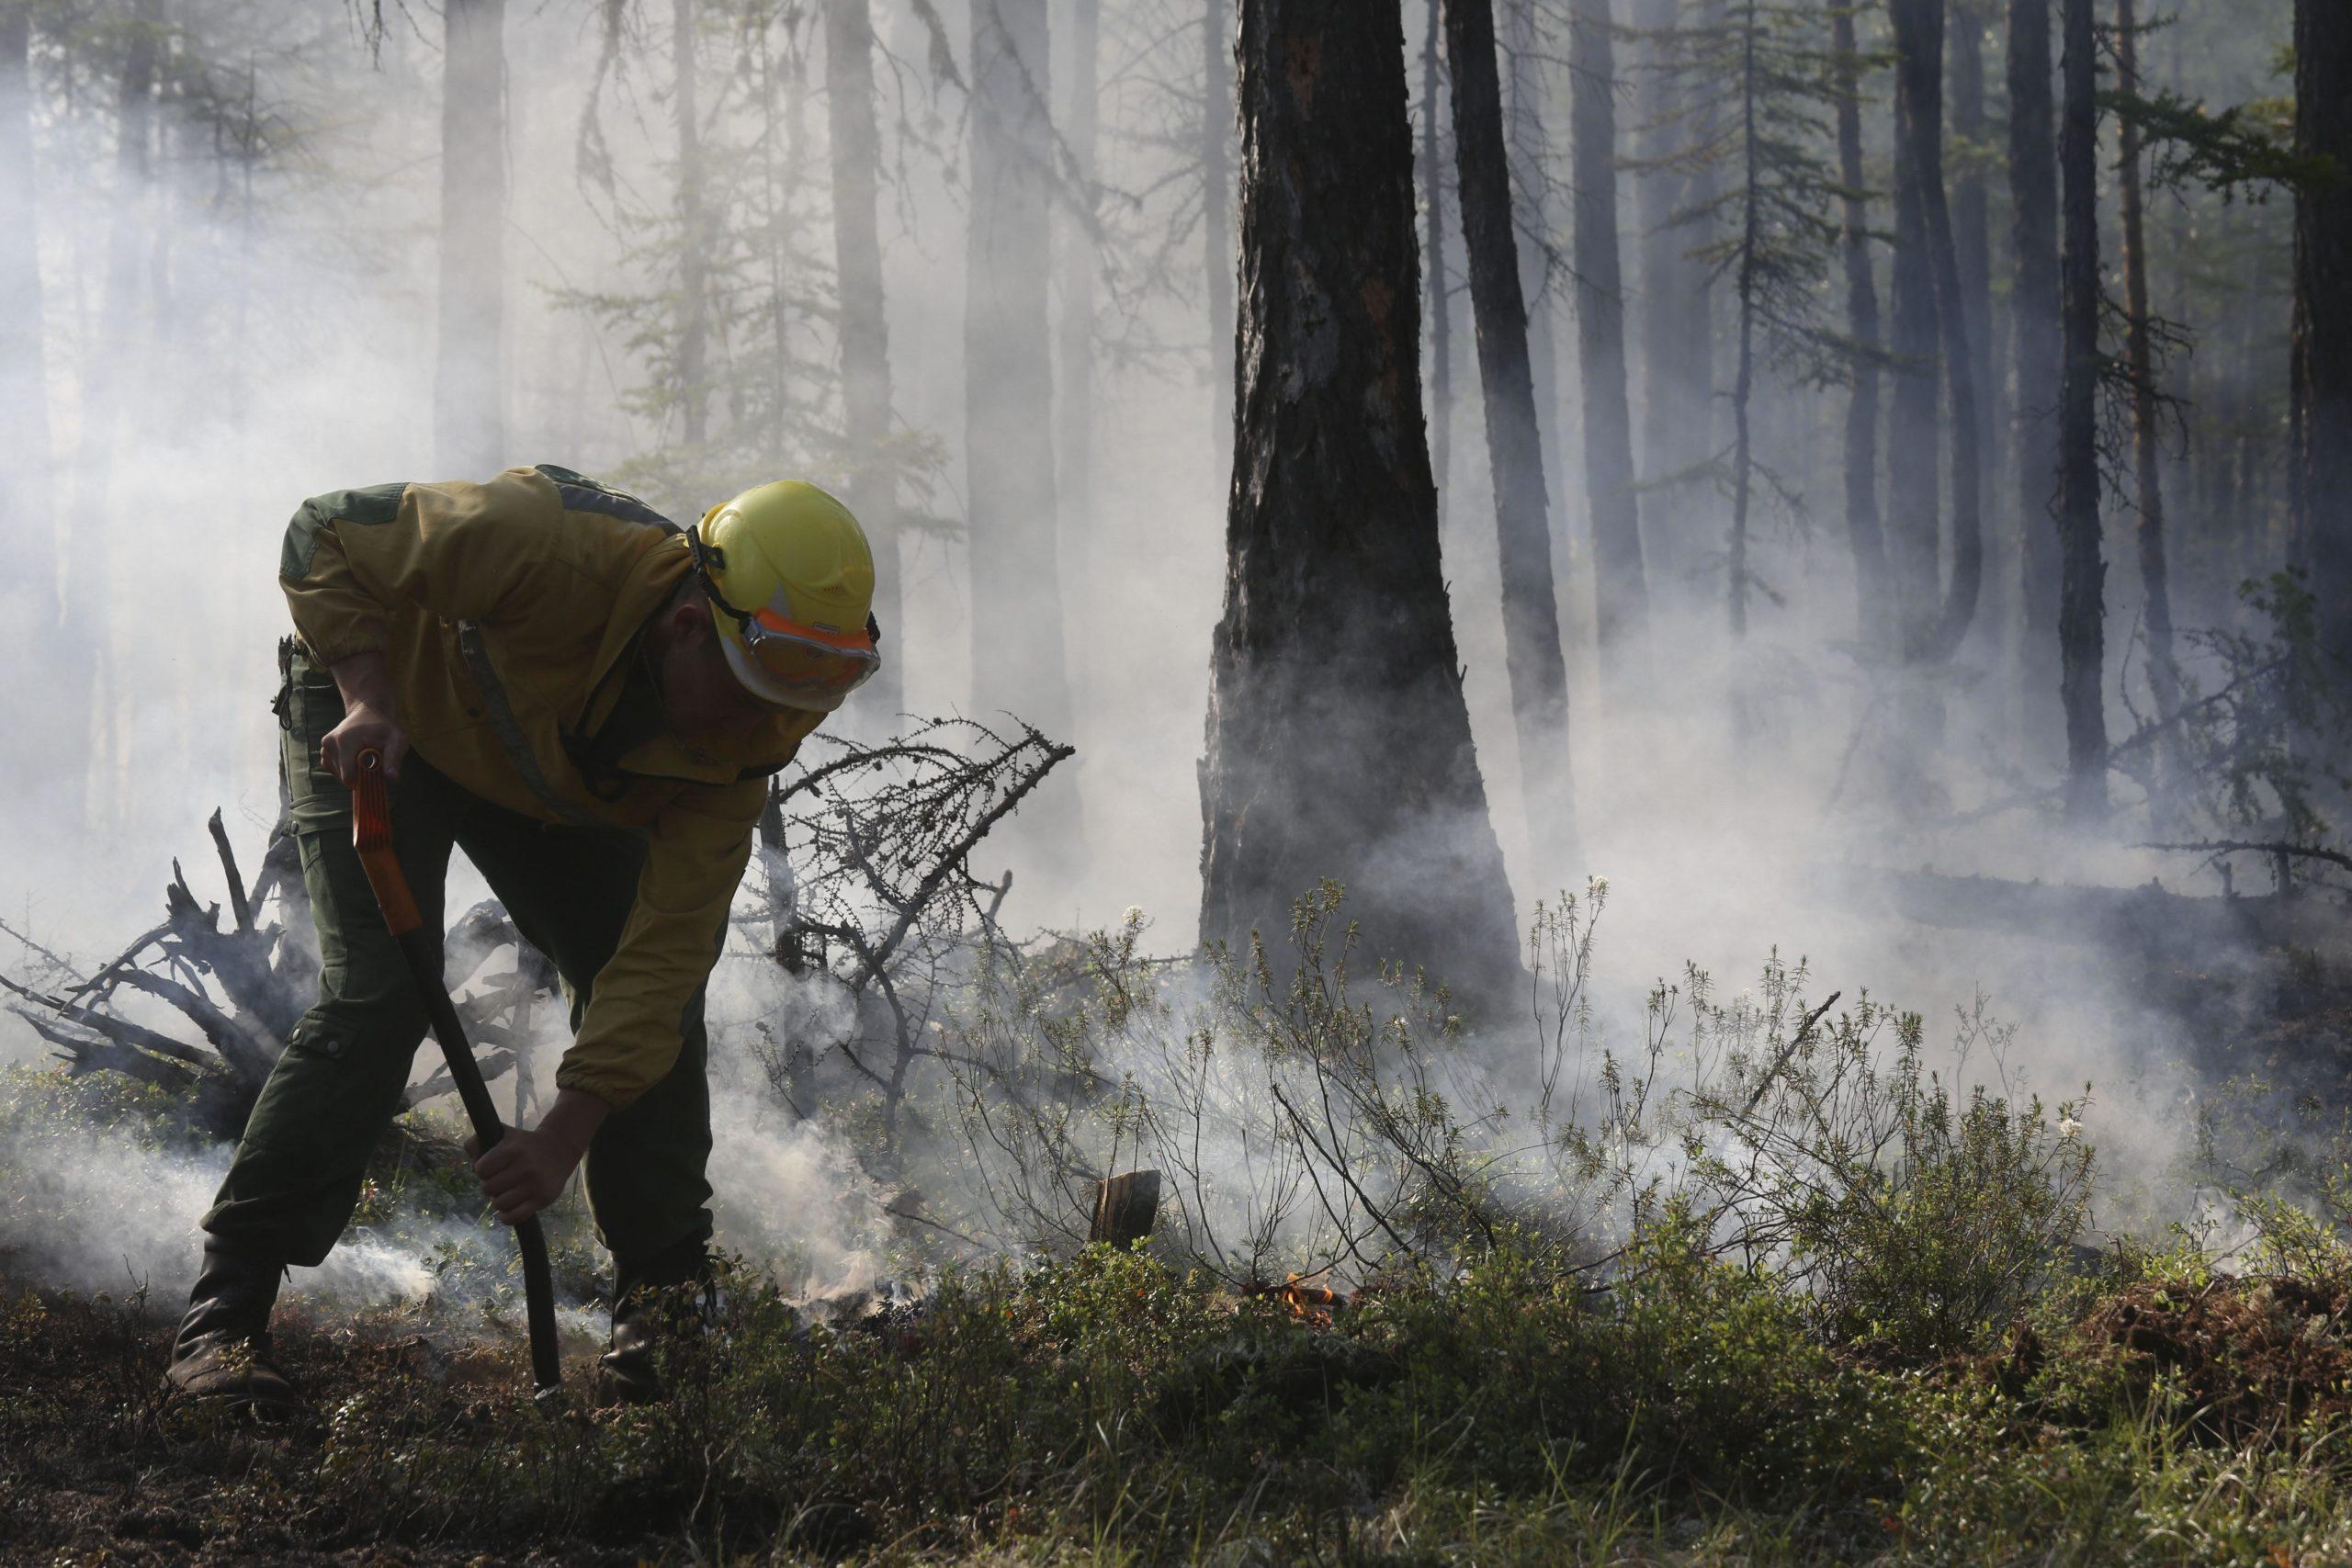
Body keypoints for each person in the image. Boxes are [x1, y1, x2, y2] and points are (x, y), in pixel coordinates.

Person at [162, 463, 880, 1409]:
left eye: (789, 705)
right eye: (747, 691)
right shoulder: (543, 541)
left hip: (541, 774)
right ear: (683, 626)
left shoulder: (745, 741)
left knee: (648, 997)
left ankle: (659, 1317)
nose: (760, 727)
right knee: (383, 992)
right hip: (393, 713)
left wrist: (561, 1137)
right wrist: (367, 693)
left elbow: (657, 968)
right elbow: (324, 533)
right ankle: (223, 1318)